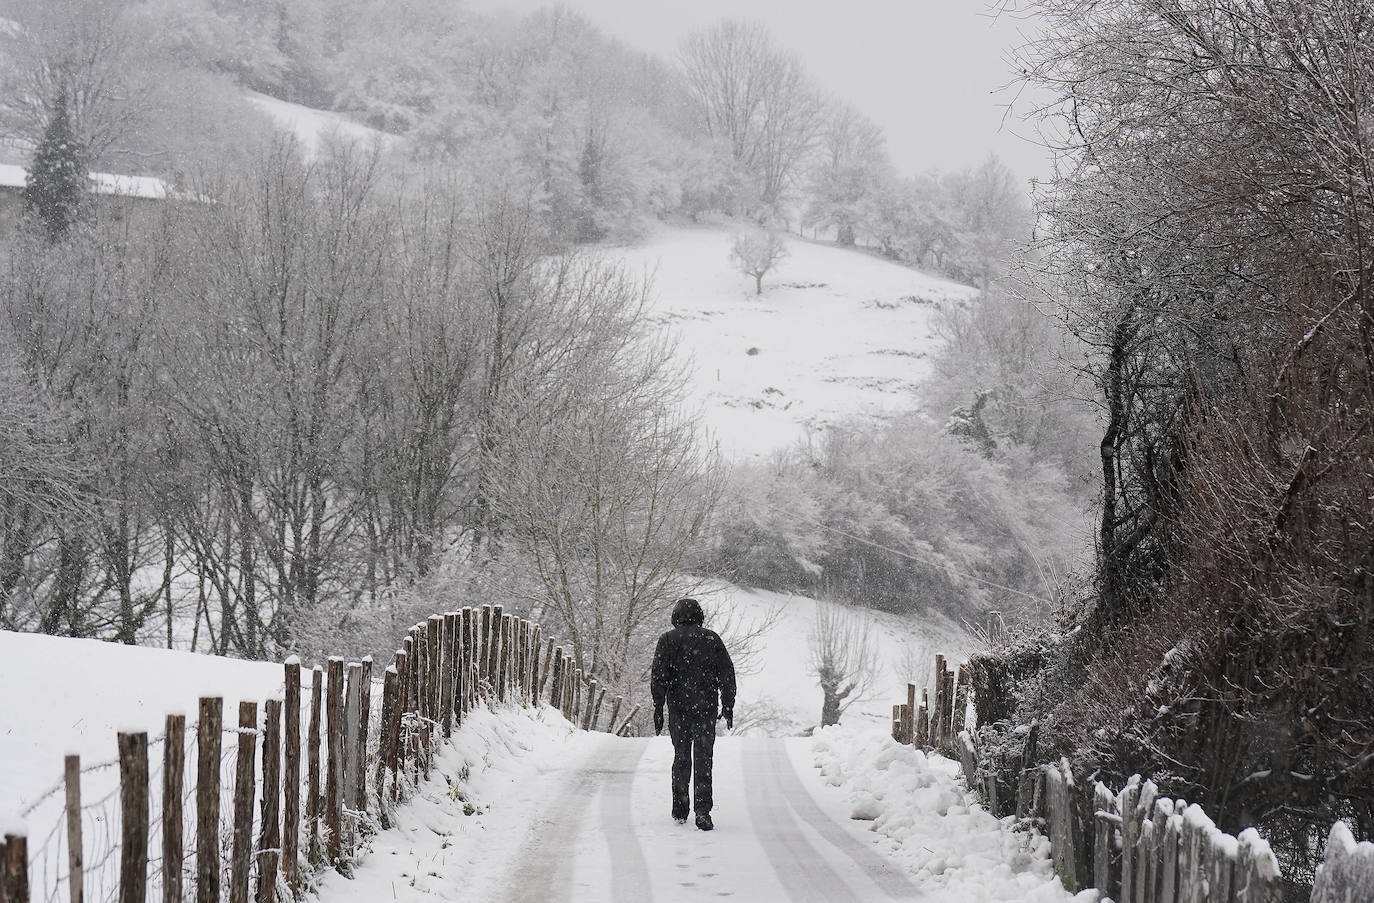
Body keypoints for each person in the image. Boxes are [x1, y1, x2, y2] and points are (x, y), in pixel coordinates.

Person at [651, 597, 736, 831]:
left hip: (678, 708)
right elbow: (727, 675)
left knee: (681, 757)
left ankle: (680, 809)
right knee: (703, 758)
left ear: (675, 616)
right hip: (705, 708)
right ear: (699, 615)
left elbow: (659, 677)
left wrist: (658, 707)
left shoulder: (667, 640)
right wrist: (728, 705)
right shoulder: (711, 639)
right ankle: (703, 811)